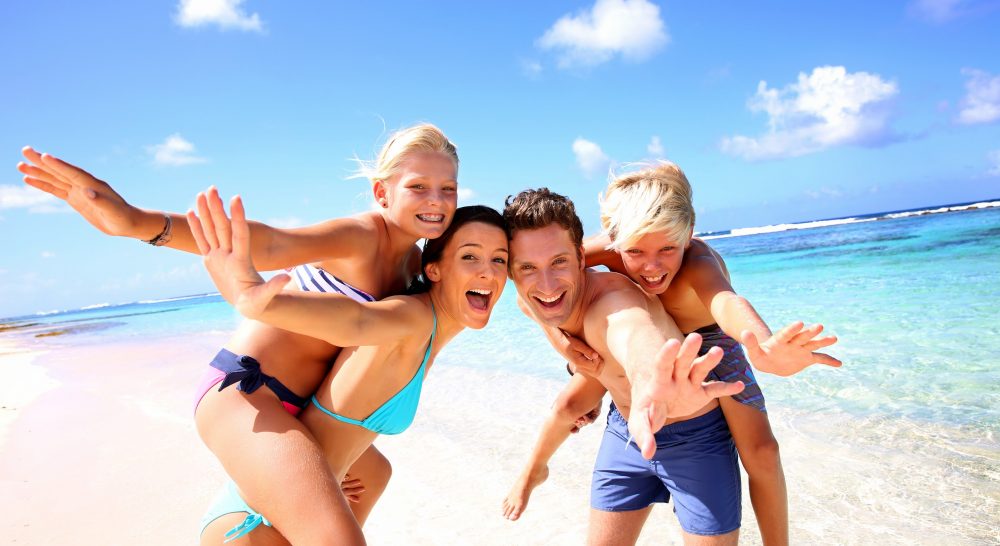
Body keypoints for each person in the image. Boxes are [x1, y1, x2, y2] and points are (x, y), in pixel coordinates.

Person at [17, 124, 459, 544]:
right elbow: (266, 244)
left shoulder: (417, 270)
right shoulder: (363, 234)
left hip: (304, 408)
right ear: (382, 191)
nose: (435, 199)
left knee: (374, 475)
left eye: (448, 189)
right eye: (418, 186)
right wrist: (136, 222)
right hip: (246, 394)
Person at [191, 199, 509, 543]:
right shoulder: (412, 319)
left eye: (499, 260)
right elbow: (355, 320)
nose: (487, 272)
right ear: (434, 269)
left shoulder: (431, 331)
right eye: (469, 257)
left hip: (281, 517)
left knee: (378, 473)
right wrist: (265, 302)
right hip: (254, 526)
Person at [501, 188, 745, 545]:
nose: (547, 284)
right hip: (624, 434)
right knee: (567, 406)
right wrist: (562, 343)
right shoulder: (530, 299)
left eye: (559, 262)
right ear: (511, 274)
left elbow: (632, 331)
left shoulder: (613, 300)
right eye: (528, 268)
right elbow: (534, 305)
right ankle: (534, 469)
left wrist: (651, 383)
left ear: (581, 256)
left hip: (696, 436)